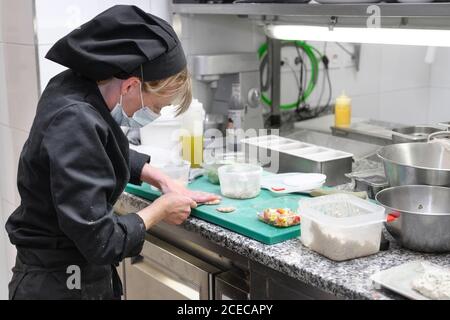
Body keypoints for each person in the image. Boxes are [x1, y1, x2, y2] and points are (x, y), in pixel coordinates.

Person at [5, 5, 219, 300]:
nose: (153, 114)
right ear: (131, 85)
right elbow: (101, 241)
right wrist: (162, 209)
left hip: (72, 276)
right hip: (61, 284)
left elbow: (92, 149)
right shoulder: (75, 119)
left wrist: (158, 177)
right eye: (156, 107)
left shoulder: (75, 86)